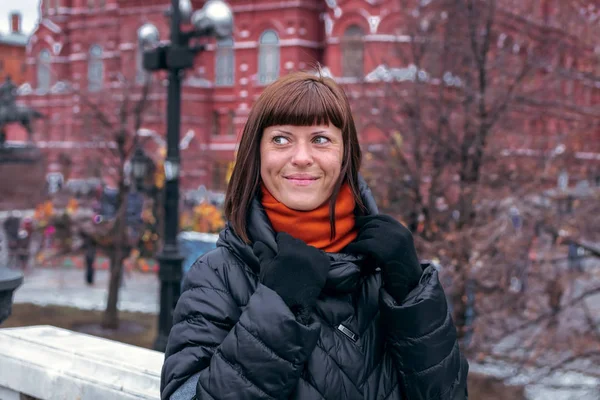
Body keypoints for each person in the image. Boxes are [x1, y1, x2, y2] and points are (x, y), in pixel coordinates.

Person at [161, 71, 469, 400]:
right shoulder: (218, 275)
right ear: (258, 154)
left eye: (320, 139)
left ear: (344, 154)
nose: (302, 157)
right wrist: (277, 310)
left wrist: (412, 299)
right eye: (281, 139)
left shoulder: (384, 271)